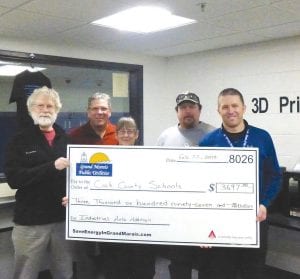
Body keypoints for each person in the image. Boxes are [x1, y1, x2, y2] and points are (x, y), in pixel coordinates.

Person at [199, 88, 282, 279]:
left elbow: (275, 176)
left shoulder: (262, 137)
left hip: (254, 220)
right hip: (219, 222)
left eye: (235, 105)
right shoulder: (208, 142)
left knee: (252, 272)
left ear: (244, 108)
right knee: (218, 272)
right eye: (225, 107)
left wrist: (264, 204)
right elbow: (200, 185)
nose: (231, 111)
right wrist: (201, 225)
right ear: (218, 110)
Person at [4, 86, 73, 279]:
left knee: (64, 271)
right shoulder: (19, 140)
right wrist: (52, 166)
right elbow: (14, 179)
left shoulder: (67, 140)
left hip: (62, 219)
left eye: (50, 106)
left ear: (57, 110)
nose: (45, 110)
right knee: (25, 273)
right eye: (40, 105)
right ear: (31, 109)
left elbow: (75, 178)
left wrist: (75, 196)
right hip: (30, 222)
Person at [156, 91, 215, 279]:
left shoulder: (214, 134)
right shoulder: (166, 136)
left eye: (192, 107)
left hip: (206, 211)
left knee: (208, 265)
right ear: (177, 111)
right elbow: (157, 172)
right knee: (180, 263)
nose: (187, 111)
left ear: (200, 110)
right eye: (183, 108)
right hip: (178, 214)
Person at [68, 92, 118, 278]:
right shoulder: (74, 137)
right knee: (86, 262)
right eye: (95, 108)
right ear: (88, 112)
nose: (99, 112)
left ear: (110, 112)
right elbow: (69, 172)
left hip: (114, 209)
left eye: (103, 108)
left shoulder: (120, 134)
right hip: (86, 210)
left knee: (113, 257)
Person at [101, 116, 156, 279]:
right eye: (122, 131)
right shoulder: (105, 158)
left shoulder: (150, 158)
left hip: (142, 227)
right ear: (116, 135)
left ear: (137, 134)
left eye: (130, 131)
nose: (126, 135)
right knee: (116, 270)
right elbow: (93, 188)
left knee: (143, 270)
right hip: (114, 227)